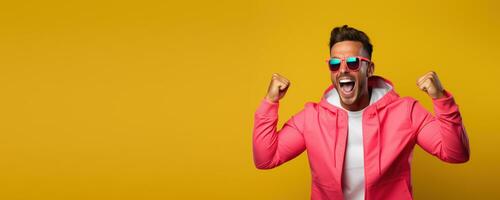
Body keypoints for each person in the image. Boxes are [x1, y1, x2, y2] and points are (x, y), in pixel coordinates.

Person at [252, 25, 470, 200]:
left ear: (370, 69)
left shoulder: (406, 112)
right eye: (335, 63)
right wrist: (270, 102)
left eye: (354, 62)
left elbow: (455, 154)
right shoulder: (312, 118)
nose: (344, 69)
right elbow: (265, 158)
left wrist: (441, 99)